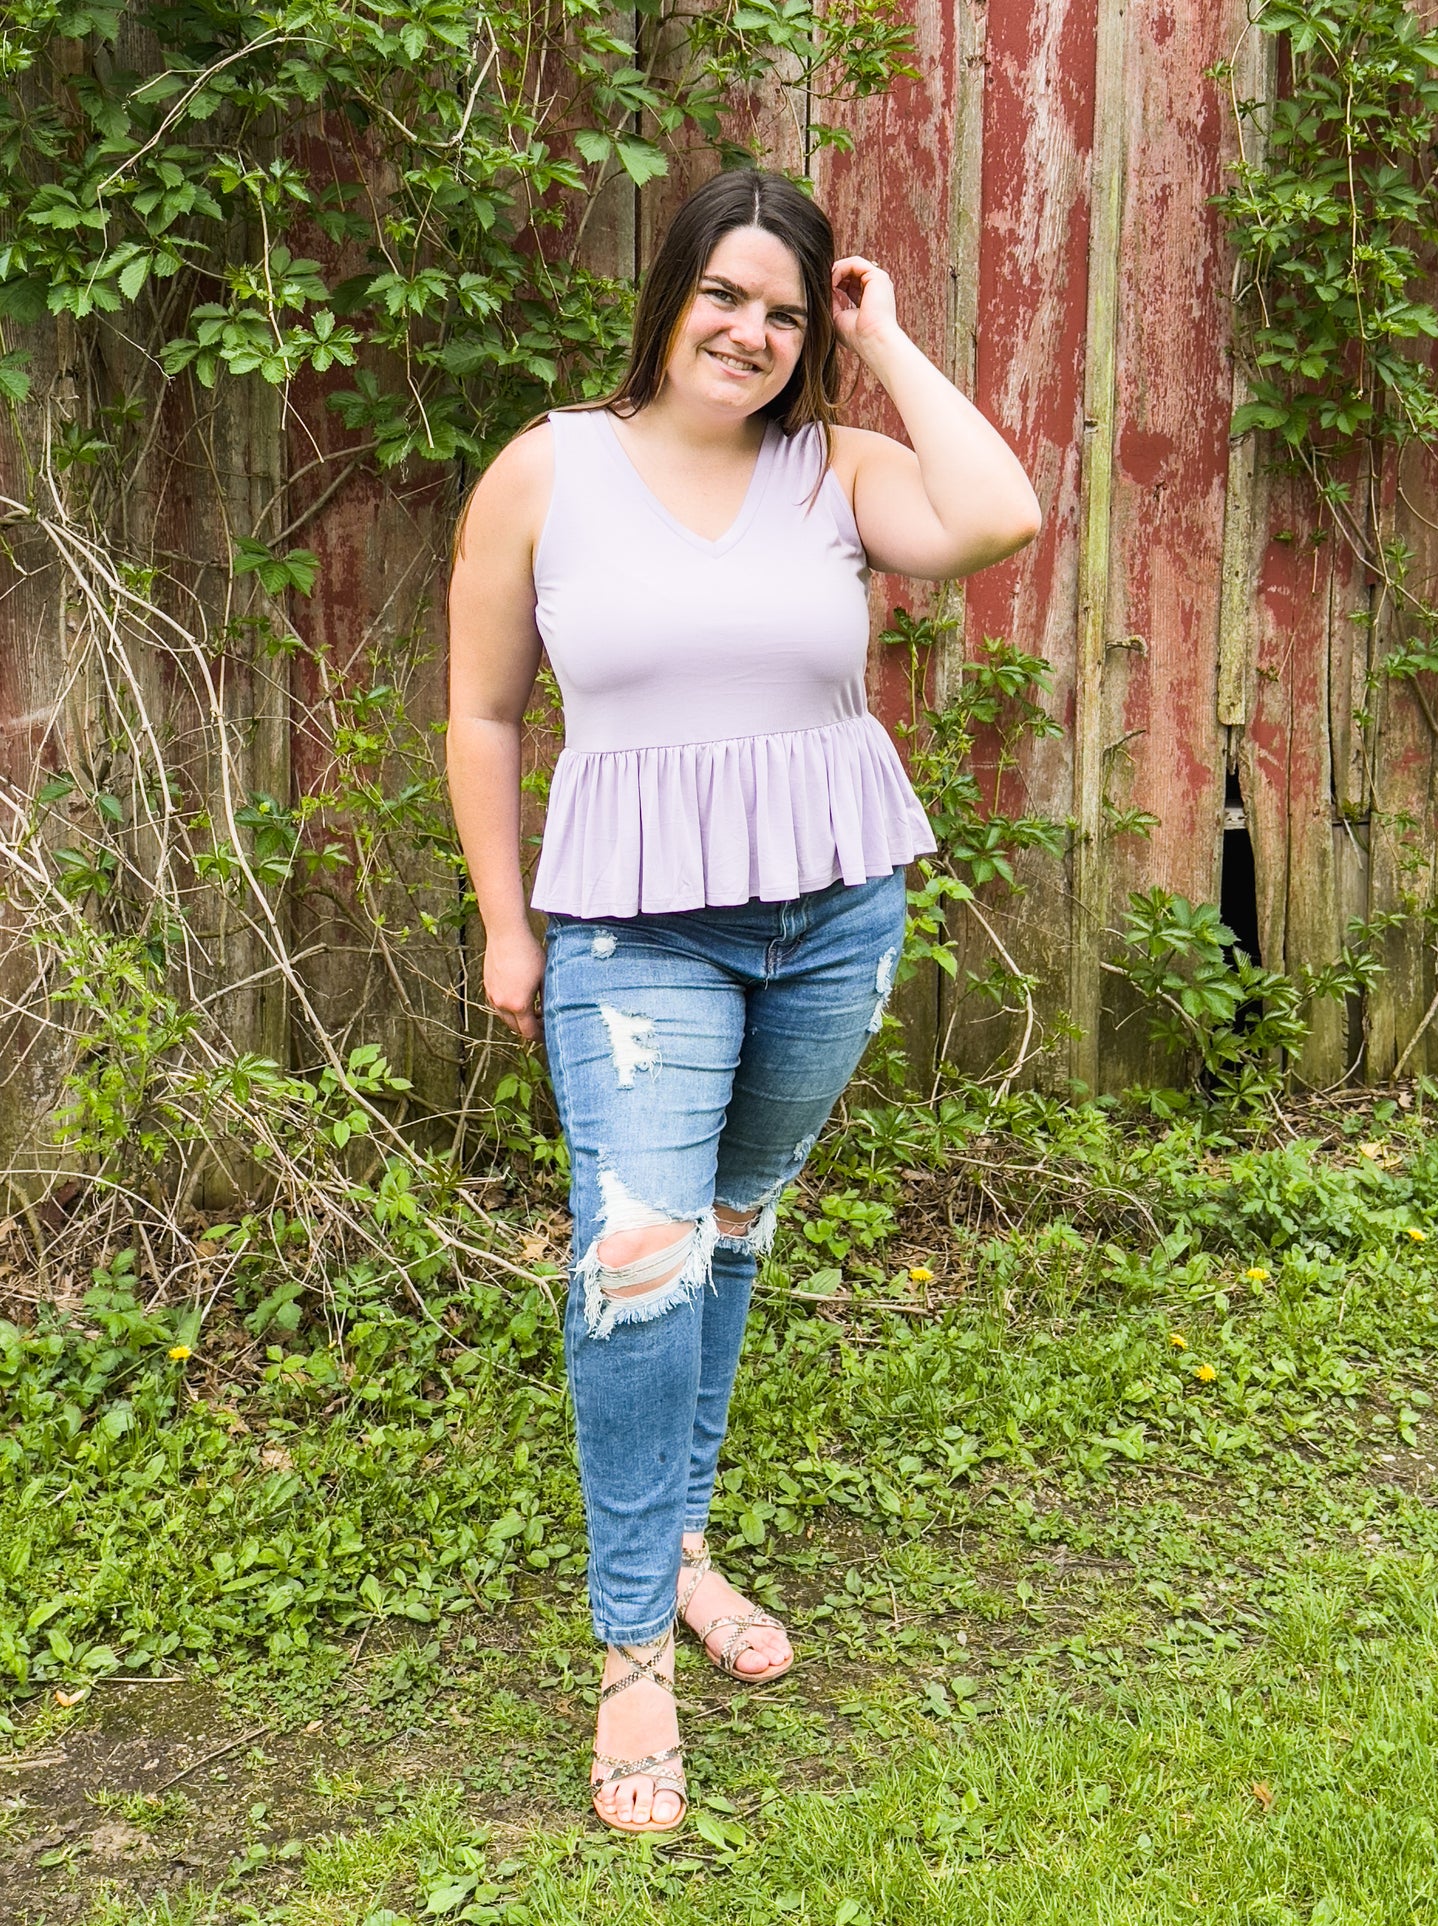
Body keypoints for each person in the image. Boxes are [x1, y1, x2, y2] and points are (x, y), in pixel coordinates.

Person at [447, 167, 1039, 1835]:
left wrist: (888, 338)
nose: (752, 332)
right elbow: (483, 712)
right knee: (634, 1258)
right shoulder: (548, 471)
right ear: (669, 295)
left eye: (785, 311)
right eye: (728, 296)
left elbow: (994, 514)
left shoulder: (835, 469)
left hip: (833, 916)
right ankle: (634, 1639)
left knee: (729, 1224)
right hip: (634, 936)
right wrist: (506, 921)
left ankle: (687, 1536)